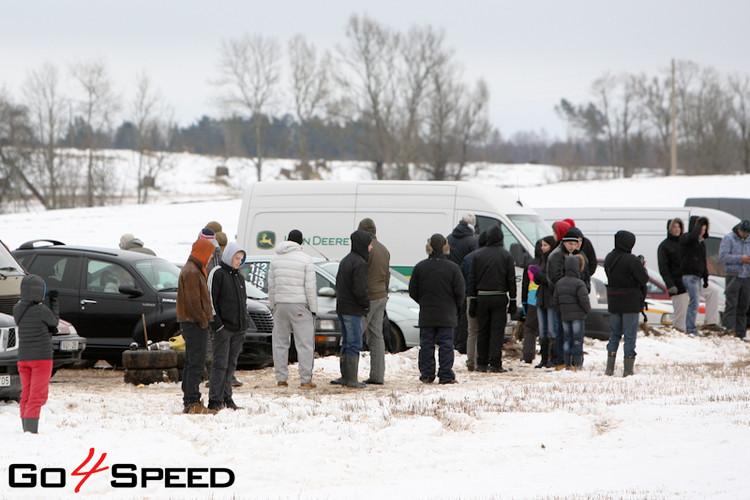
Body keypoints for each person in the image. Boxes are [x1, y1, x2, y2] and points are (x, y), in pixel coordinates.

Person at [409, 234, 465, 384]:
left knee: (426, 345)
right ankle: (446, 375)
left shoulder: (420, 267)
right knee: (446, 345)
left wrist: (423, 302)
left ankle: (427, 375)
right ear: (445, 247)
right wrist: (455, 307)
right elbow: (460, 293)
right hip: (447, 314)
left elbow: (413, 291)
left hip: (427, 313)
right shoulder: (453, 268)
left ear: (429, 248)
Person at [268, 230, 318, 388]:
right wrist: (313, 309)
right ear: (301, 242)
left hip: (280, 305)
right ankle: (305, 379)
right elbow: (310, 287)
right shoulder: (305, 259)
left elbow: (271, 286)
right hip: (299, 305)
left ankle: (281, 379)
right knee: (304, 344)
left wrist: (273, 306)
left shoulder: (275, 258)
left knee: (280, 343)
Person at [13, 275, 59, 433]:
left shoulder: (17, 309)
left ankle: (26, 427)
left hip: (23, 358)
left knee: (26, 394)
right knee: (37, 396)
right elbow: (54, 322)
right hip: (42, 359)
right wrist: (54, 302)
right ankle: (31, 431)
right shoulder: (42, 310)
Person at [177, 238, 217, 414]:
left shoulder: (194, 269)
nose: (209, 258)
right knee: (196, 362)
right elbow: (194, 302)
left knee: (193, 361)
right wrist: (203, 319)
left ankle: (190, 398)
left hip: (193, 321)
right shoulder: (192, 271)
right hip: (193, 322)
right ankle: (192, 401)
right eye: (208, 254)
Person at [468, 225, 517, 373]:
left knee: (483, 330)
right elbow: (511, 279)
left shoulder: (478, 255)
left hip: (482, 296)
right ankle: (495, 363)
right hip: (499, 297)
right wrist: (513, 299)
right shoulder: (506, 255)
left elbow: (473, 278)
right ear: (501, 238)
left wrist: (473, 299)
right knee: (497, 331)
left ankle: (481, 363)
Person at [206, 242, 248, 411]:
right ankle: (215, 399)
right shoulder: (218, 273)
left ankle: (227, 397)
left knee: (231, 364)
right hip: (223, 329)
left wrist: (244, 324)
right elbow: (210, 300)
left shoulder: (239, 276)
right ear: (229, 256)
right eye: (236, 258)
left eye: (241, 259)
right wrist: (217, 325)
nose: (238, 261)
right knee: (220, 364)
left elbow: (243, 302)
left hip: (239, 329)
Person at [604, 230, 648, 377]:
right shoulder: (631, 260)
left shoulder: (609, 258)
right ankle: (627, 370)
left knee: (614, 334)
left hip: (614, 300)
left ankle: (609, 368)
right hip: (630, 301)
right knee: (629, 336)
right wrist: (642, 266)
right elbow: (642, 279)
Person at [332, 229, 372, 389]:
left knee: (347, 341)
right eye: (369, 244)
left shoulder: (346, 260)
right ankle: (351, 379)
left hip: (342, 307)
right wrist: (366, 304)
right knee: (354, 342)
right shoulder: (360, 263)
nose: (371, 248)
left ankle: (345, 376)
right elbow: (360, 289)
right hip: (353, 309)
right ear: (363, 244)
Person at [547, 226, 590, 369]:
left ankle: (568, 361)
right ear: (564, 242)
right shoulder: (557, 256)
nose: (573, 246)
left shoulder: (574, 255)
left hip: (568, 299)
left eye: (575, 243)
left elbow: (586, 275)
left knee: (567, 333)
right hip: (563, 300)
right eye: (570, 243)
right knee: (562, 332)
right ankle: (560, 361)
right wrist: (570, 291)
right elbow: (554, 279)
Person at [357, 218, 390, 385]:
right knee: (377, 336)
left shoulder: (365, 248)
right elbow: (387, 276)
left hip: (368, 298)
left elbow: (360, 274)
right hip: (381, 296)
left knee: (356, 334)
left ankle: (349, 374)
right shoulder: (384, 249)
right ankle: (377, 375)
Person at [552, 254, 591, 370]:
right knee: (577, 340)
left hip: (564, 316)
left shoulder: (559, 283)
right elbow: (584, 300)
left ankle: (567, 363)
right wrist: (587, 310)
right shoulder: (579, 283)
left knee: (567, 339)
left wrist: (561, 311)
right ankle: (577, 363)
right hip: (578, 316)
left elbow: (555, 301)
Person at [448, 213, 478, 354]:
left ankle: (451, 342)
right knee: (465, 316)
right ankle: (461, 344)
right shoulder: (472, 241)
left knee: (452, 313)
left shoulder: (448, 238)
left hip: (449, 282)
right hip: (465, 282)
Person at [460, 231, 487, 371]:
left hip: (470, 296)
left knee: (472, 331)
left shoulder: (467, 258)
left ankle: (471, 361)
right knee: (483, 330)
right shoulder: (486, 256)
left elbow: (463, 276)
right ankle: (481, 360)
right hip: (484, 296)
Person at [679, 216, 710, 336]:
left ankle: (691, 327)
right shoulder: (686, 238)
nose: (702, 232)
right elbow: (692, 236)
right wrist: (698, 226)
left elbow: (703, 261)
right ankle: (690, 328)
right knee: (694, 302)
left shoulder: (701, 244)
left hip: (698, 277)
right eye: (700, 229)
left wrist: (706, 277)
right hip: (689, 276)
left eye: (704, 229)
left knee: (696, 302)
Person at [719, 219, 750, 339]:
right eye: (743, 232)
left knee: (743, 307)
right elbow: (723, 257)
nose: (745, 235)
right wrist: (740, 258)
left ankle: (741, 333)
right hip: (733, 276)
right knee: (732, 305)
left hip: (747, 277)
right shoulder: (728, 239)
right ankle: (728, 331)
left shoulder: (749, 239)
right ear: (738, 229)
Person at [658, 218, 688, 331]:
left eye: (678, 227)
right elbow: (663, 268)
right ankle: (680, 332)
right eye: (674, 227)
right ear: (669, 229)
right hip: (677, 284)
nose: (677, 229)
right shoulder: (664, 246)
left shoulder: (685, 243)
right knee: (680, 313)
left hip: (690, 281)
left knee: (712, 292)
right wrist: (670, 285)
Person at [533, 236, 557, 368]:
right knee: (542, 331)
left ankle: (552, 358)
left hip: (549, 298)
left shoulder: (552, 260)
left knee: (551, 330)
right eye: (542, 245)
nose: (542, 248)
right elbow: (539, 281)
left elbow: (550, 281)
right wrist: (536, 275)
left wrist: (538, 274)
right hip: (541, 298)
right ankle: (544, 358)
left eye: (545, 245)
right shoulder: (541, 260)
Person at [520, 239, 543, 364]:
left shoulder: (529, 264)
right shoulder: (547, 263)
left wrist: (524, 302)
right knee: (546, 328)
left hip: (532, 298)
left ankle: (528, 354)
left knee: (530, 328)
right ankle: (547, 354)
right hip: (545, 297)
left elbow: (525, 285)